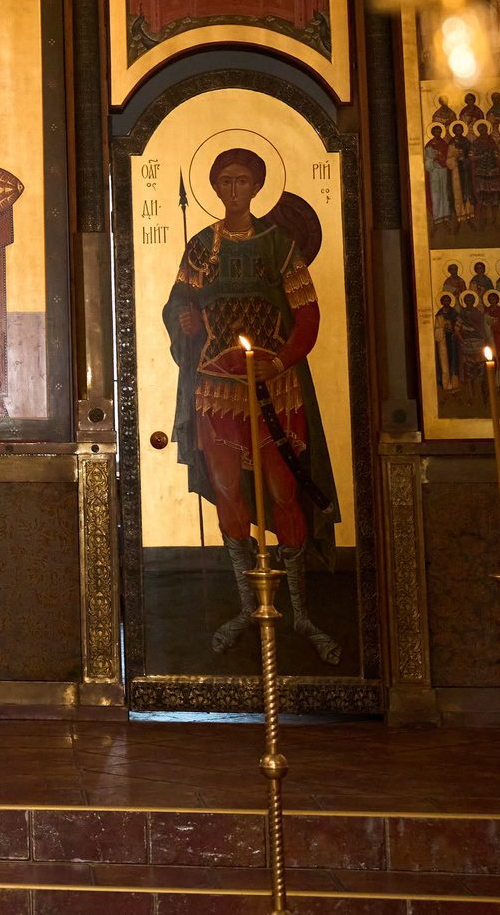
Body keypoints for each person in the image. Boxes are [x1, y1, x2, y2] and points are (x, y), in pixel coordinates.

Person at [160, 148, 340, 664]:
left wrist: (282, 361)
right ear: (215, 187)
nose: (234, 188)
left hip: (273, 386)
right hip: (215, 385)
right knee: (226, 490)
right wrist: (184, 321)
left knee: (285, 489)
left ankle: (300, 612)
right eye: (225, 181)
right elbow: (178, 304)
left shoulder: (280, 245)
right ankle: (246, 605)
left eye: (243, 180)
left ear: (257, 186)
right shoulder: (201, 247)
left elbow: (307, 314)